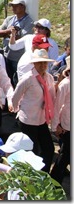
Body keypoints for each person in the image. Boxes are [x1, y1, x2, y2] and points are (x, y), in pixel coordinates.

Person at [9, 48, 56, 173]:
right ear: (34, 64)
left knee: (48, 149)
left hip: (41, 119)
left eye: (45, 63)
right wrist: (17, 110)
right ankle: (31, 177)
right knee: (32, 150)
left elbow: (51, 95)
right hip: (28, 120)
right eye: (40, 63)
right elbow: (16, 96)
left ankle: (43, 174)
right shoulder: (28, 78)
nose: (42, 66)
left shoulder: (49, 78)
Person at [0, 0, 35, 84]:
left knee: (17, 80)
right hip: (6, 54)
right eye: (12, 6)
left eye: (16, 6)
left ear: (23, 7)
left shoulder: (29, 22)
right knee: (6, 79)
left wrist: (6, 34)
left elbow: (22, 38)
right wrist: (9, 31)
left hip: (18, 57)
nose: (13, 8)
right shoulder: (9, 19)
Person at [50, 57, 70, 185]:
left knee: (66, 153)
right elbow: (57, 106)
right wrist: (55, 125)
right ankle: (55, 182)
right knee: (65, 154)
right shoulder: (66, 84)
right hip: (66, 124)